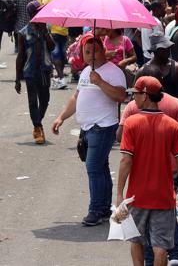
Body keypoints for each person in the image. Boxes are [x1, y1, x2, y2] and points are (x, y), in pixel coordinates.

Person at [52, 35, 127, 226]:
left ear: (103, 50)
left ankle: (95, 210)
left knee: (93, 167)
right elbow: (76, 98)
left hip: (102, 127)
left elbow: (120, 96)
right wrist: (61, 117)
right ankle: (103, 208)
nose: (91, 55)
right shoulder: (86, 72)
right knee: (101, 167)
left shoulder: (113, 72)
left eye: (95, 50)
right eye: (87, 51)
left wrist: (101, 82)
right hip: (87, 128)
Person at [117, 76, 178, 266]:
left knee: (136, 240)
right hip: (164, 197)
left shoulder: (132, 123)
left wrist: (119, 192)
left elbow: (126, 160)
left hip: (137, 196)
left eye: (136, 94)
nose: (134, 98)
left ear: (146, 96)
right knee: (161, 247)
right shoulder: (172, 125)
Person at [15, 1, 54, 144]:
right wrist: (17, 78)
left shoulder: (46, 28)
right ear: (33, 14)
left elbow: (52, 47)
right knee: (32, 101)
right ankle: (38, 127)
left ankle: (38, 122)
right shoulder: (23, 32)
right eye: (39, 11)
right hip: (30, 72)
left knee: (45, 100)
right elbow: (20, 56)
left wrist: (45, 33)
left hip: (45, 70)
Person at [43, 0, 69, 89]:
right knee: (62, 54)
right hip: (65, 29)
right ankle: (60, 78)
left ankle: (61, 77)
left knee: (55, 54)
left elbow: (43, 13)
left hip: (53, 30)